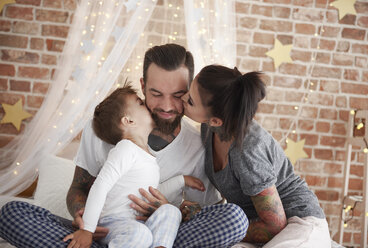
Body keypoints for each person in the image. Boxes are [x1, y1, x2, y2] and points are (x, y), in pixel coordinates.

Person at [0, 44, 248, 248]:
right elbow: (79, 187)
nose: (167, 106)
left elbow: (207, 211)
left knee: (234, 219)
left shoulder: (199, 145)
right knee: (12, 213)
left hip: (162, 235)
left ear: (189, 92)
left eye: (178, 95)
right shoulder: (102, 129)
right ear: (142, 87)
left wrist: (177, 211)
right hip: (105, 231)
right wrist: (84, 219)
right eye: (156, 94)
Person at [180, 64, 332, 247]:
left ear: (216, 120)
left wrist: (211, 224)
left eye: (190, 101)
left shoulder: (247, 151)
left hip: (298, 222)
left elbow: (275, 225)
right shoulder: (209, 129)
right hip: (255, 225)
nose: (182, 97)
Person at [63, 85, 183, 248]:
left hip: (138, 225)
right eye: (140, 103)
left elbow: (154, 192)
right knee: (140, 234)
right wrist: (88, 230)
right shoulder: (125, 148)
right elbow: (100, 185)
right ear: (128, 120)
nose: (146, 105)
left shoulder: (149, 158)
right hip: (113, 223)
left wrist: (182, 181)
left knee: (171, 211)